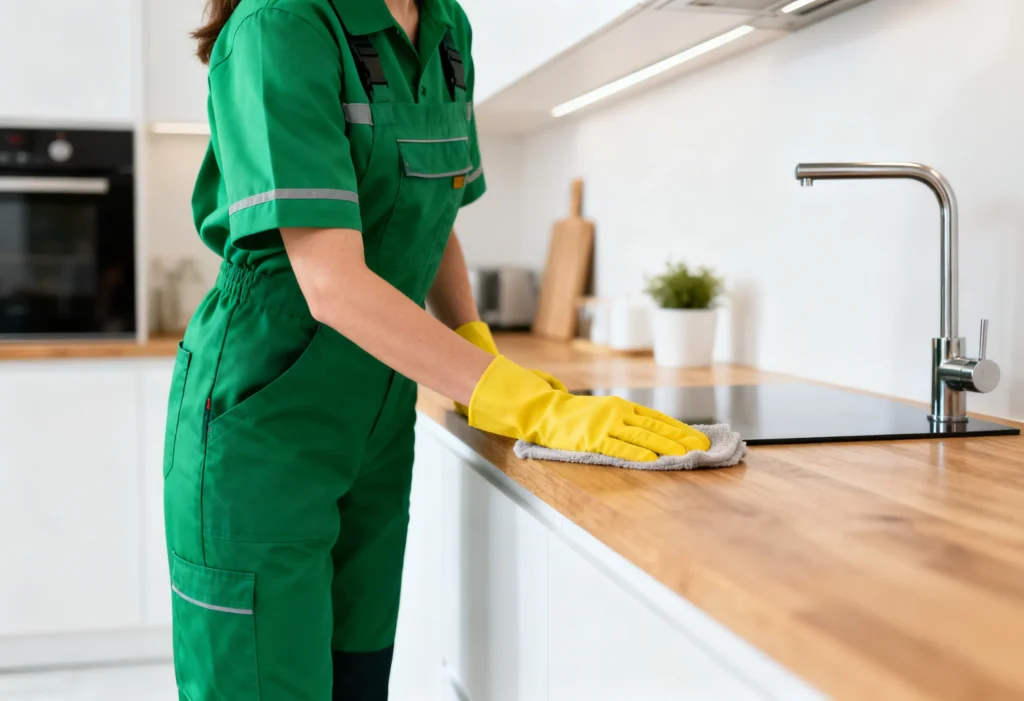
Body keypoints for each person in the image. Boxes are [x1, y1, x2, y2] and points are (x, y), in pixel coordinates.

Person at [162, 0, 712, 698]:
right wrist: (522, 401)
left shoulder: (447, 27)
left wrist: (473, 341)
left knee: (359, 678)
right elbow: (331, 283)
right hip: (266, 424)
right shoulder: (281, 25)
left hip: (377, 417)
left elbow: (431, 210)